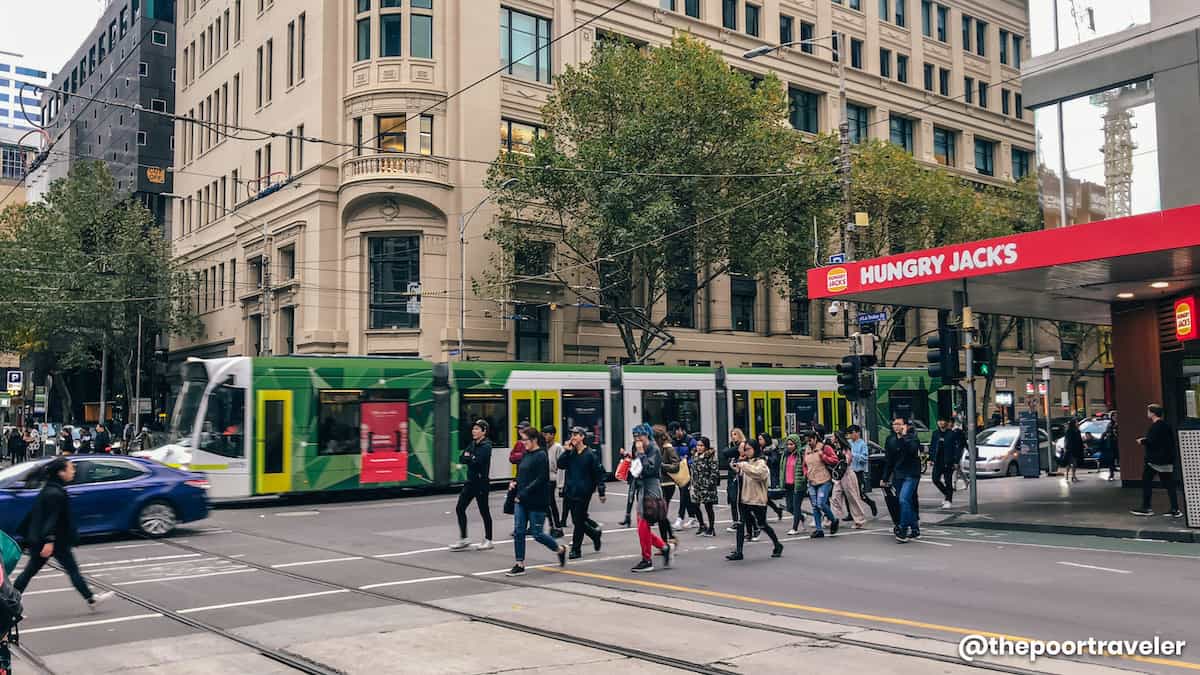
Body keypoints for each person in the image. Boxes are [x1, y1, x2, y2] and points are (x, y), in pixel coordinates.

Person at [14, 458, 114, 610]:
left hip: (52, 540)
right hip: (52, 542)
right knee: (34, 572)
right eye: (70, 469)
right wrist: (49, 541)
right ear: (61, 473)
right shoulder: (55, 493)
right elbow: (51, 519)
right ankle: (9, 603)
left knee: (34, 571)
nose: (73, 471)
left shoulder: (51, 489)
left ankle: (91, 599)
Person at [506, 426, 567, 576]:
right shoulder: (526, 454)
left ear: (533, 440)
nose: (522, 442)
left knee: (537, 534)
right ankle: (519, 564)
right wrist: (514, 482)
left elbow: (541, 479)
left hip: (536, 500)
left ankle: (560, 549)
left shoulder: (541, 456)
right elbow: (521, 472)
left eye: (525, 439)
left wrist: (524, 492)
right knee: (519, 531)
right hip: (521, 499)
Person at [726, 439, 783, 561]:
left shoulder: (761, 462)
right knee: (741, 524)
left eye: (748, 449)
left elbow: (759, 474)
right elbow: (745, 474)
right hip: (745, 498)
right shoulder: (747, 462)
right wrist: (737, 469)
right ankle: (739, 551)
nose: (746, 452)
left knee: (763, 524)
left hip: (757, 499)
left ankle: (777, 544)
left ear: (755, 449)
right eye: (745, 449)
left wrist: (744, 466)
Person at [558, 426, 606, 559]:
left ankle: (576, 549)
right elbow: (560, 465)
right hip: (570, 491)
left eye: (576, 434)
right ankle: (595, 534)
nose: (573, 437)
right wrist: (566, 452)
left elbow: (598, 473)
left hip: (584, 492)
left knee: (578, 521)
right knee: (577, 520)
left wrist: (601, 491)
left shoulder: (590, 454)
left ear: (582, 437)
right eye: (572, 434)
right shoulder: (571, 453)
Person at [630, 424, 671, 573]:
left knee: (643, 525)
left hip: (651, 489)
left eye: (640, 436)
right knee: (642, 527)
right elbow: (637, 469)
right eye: (635, 436)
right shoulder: (637, 448)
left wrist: (640, 454)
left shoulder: (654, 449)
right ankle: (663, 547)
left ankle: (647, 559)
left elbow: (649, 469)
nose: (637, 439)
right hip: (641, 489)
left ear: (647, 435)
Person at [449, 420, 494, 551]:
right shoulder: (473, 444)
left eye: (477, 429)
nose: (473, 431)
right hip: (470, 482)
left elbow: (477, 461)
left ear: (484, 431)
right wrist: (470, 457)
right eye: (473, 428)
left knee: (484, 511)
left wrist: (470, 457)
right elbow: (462, 457)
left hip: (481, 483)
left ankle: (488, 539)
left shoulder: (486, 445)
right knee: (459, 508)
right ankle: (464, 539)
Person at [1132, 404, 1182, 518]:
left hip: (1154, 461)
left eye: (1148, 411)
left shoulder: (1156, 426)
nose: (1147, 413)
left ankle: (1146, 507)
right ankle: (1175, 509)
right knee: (1169, 484)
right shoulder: (1166, 425)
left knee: (1146, 482)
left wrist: (1142, 441)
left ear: (1153, 413)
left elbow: (1152, 441)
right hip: (1167, 460)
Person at [883, 417, 922, 543]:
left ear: (905, 426)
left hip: (911, 474)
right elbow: (889, 460)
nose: (896, 426)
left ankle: (903, 528)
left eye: (899, 424)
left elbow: (912, 450)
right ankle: (915, 529)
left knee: (904, 499)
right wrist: (885, 477)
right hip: (898, 474)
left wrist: (904, 436)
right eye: (894, 424)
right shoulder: (890, 440)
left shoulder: (912, 438)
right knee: (906, 502)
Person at [802, 430, 840, 539]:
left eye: (810, 440)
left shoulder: (825, 448)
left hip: (824, 480)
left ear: (815, 438)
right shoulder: (807, 449)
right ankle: (819, 530)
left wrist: (823, 456)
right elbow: (804, 464)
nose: (808, 443)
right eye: (807, 441)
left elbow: (834, 460)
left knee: (821, 503)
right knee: (814, 506)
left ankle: (833, 520)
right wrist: (806, 473)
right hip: (811, 481)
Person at [829, 431, 869, 529]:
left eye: (833, 436)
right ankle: (833, 519)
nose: (831, 438)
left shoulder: (846, 449)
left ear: (837, 438)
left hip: (847, 475)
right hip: (838, 477)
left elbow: (846, 462)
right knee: (835, 497)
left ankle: (860, 520)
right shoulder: (834, 448)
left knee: (852, 498)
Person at [929, 417, 965, 508]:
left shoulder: (952, 434)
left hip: (948, 461)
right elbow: (932, 446)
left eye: (942, 420)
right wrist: (931, 458)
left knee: (948, 481)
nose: (941, 422)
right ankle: (947, 494)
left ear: (946, 422)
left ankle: (949, 500)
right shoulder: (935, 434)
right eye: (939, 421)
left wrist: (956, 461)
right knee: (935, 479)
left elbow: (957, 448)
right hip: (938, 461)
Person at [653, 425, 680, 547]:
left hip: (668, 485)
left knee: (661, 515)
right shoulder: (656, 448)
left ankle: (666, 542)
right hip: (659, 484)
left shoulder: (668, 448)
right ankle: (669, 539)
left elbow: (676, 466)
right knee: (661, 515)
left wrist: (662, 466)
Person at [689, 436, 719, 536]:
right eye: (698, 445)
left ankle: (711, 528)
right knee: (694, 505)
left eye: (701, 445)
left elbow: (714, 472)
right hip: (697, 485)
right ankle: (702, 525)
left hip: (707, 486)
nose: (699, 447)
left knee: (708, 507)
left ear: (706, 446)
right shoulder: (695, 455)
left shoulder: (710, 457)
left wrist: (709, 483)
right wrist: (692, 483)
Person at [846, 425, 877, 517]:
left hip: (858, 472)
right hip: (849, 471)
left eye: (852, 433)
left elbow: (864, 458)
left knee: (859, 493)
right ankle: (850, 514)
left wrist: (854, 455)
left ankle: (871, 503)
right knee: (847, 493)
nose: (850, 435)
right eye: (849, 433)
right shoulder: (848, 443)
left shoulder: (862, 444)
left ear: (857, 433)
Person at [542, 425, 567, 539]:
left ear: (553, 435)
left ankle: (557, 527)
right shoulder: (544, 447)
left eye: (547, 434)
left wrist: (560, 485)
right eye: (544, 434)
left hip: (553, 479)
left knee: (551, 504)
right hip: (545, 479)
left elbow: (561, 467)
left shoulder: (558, 448)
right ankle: (552, 526)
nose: (545, 436)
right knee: (547, 504)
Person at [781, 434, 807, 535]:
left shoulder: (800, 455)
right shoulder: (785, 455)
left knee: (796, 507)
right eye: (788, 444)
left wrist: (803, 479)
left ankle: (795, 528)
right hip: (788, 485)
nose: (789, 446)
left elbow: (804, 468)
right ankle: (801, 517)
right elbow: (782, 469)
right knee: (789, 507)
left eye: (791, 444)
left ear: (796, 444)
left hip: (798, 484)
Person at [757, 433, 786, 521]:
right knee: (765, 498)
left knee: (764, 498)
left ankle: (763, 518)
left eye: (761, 439)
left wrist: (766, 458)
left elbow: (774, 460)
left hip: (770, 475)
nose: (759, 441)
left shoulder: (772, 449)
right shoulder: (760, 449)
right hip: (762, 474)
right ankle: (777, 510)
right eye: (759, 439)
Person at [723, 429, 746, 534]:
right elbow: (726, 455)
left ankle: (741, 522)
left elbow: (726, 452)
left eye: (735, 434)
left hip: (739, 476)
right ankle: (736, 521)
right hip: (731, 475)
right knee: (732, 499)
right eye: (732, 435)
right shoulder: (731, 446)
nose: (733, 437)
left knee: (737, 499)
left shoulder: (742, 446)